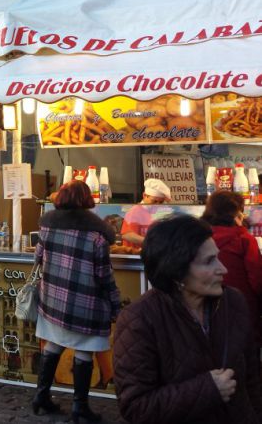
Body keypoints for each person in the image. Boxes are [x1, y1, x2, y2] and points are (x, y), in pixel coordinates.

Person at [114, 215, 262, 423]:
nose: (223, 269)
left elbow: (252, 379)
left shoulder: (233, 302)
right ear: (177, 271)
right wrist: (208, 389)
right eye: (209, 261)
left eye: (217, 257)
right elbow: (136, 407)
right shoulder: (140, 320)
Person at [31, 180, 120, 423]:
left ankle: (41, 396)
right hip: (85, 306)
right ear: (86, 200)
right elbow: (104, 277)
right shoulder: (97, 237)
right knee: (84, 350)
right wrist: (116, 306)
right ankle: (80, 407)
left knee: (53, 343)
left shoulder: (47, 227)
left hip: (53, 301)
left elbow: (38, 258)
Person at [202, 191, 262, 350]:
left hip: (205, 307)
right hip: (243, 309)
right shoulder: (244, 239)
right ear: (236, 213)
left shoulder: (200, 236)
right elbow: (257, 280)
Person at [120, 178, 172, 249]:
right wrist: (151, 242)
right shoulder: (135, 211)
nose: (157, 205)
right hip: (135, 254)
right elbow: (127, 235)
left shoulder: (157, 213)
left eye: (160, 202)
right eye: (154, 201)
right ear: (144, 195)